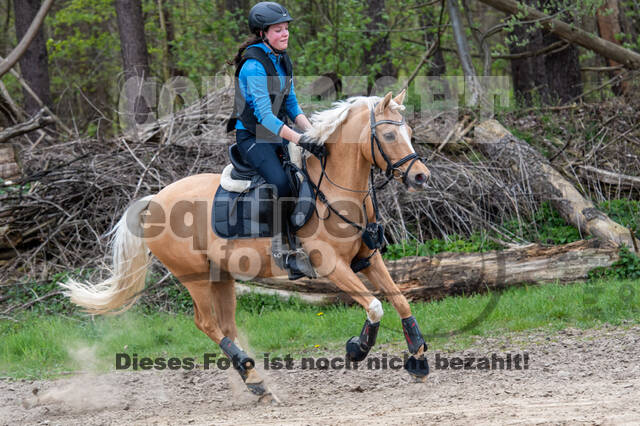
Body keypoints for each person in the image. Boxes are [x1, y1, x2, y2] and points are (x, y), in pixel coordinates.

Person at [227, 2, 325, 279]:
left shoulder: (282, 59)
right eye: (278, 30)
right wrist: (300, 140)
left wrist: (313, 132)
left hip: (277, 133)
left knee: (309, 173)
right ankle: (283, 250)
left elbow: (292, 105)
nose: (285, 34)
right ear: (262, 33)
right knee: (281, 182)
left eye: (286, 29)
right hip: (253, 136)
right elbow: (266, 117)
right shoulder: (254, 66)